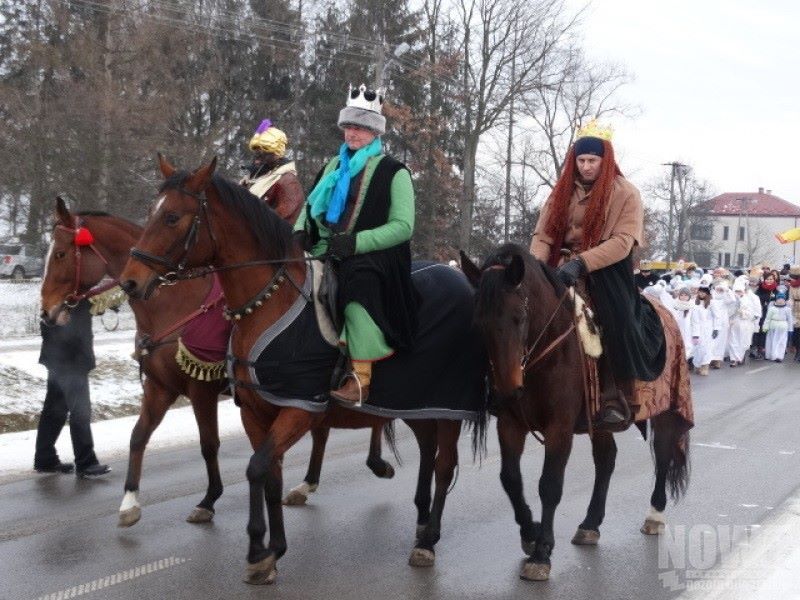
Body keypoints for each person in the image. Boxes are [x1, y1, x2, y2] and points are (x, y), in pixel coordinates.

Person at [530, 120, 666, 428]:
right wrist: (537, 267)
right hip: (556, 268)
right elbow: (543, 236)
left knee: (618, 320)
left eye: (592, 160)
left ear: (605, 160)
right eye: (581, 160)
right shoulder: (560, 192)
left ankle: (618, 394)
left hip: (605, 271)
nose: (586, 166)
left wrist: (581, 264)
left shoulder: (626, 193)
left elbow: (622, 241)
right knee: (520, 313)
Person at [294, 84, 417, 405]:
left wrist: (356, 243)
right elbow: (310, 207)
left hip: (377, 257)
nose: (353, 134)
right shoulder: (333, 167)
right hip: (329, 249)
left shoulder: (396, 172)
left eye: (361, 128)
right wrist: (299, 233)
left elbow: (403, 227)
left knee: (357, 285)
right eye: (349, 126)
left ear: (375, 132)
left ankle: (360, 380)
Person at [34, 299, 110, 478]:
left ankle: (45, 459)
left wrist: (106, 301)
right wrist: (51, 318)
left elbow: (94, 305)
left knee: (55, 411)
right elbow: (48, 308)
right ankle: (86, 462)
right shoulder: (65, 284)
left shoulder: (80, 290)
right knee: (80, 411)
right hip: (69, 358)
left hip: (63, 357)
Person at [240, 119, 304, 223]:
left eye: (264, 150)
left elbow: (280, 224)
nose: (258, 154)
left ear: (276, 153)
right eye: (256, 149)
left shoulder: (288, 182)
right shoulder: (251, 178)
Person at [728, 278, 760, 366]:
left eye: (740, 291)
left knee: (743, 341)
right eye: (736, 291)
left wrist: (743, 313)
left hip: (745, 324)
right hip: (734, 323)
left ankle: (740, 357)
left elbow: (752, 313)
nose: (738, 293)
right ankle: (733, 359)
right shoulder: (732, 300)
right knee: (733, 341)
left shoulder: (749, 300)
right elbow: (728, 312)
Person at [763, 290, 794, 362]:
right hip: (772, 327)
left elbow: (790, 320)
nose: (780, 300)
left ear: (785, 300)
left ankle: (779, 356)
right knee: (770, 341)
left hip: (783, 328)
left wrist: (790, 330)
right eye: (779, 299)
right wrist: (765, 327)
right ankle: (769, 355)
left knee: (781, 342)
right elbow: (767, 318)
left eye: (782, 299)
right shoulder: (772, 309)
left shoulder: (787, 309)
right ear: (776, 300)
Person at [690, 285, 714, 375]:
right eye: (700, 292)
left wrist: (716, 329)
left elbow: (717, 316)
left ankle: (705, 367)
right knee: (697, 349)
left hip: (708, 329)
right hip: (696, 329)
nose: (701, 294)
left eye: (703, 292)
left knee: (706, 349)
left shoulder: (711, 303)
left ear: (707, 293)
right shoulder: (694, 303)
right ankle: (697, 365)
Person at [790, 266, 800, 361]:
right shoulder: (792, 285)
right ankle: (797, 351)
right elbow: (791, 298)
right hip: (795, 309)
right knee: (796, 332)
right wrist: (790, 308)